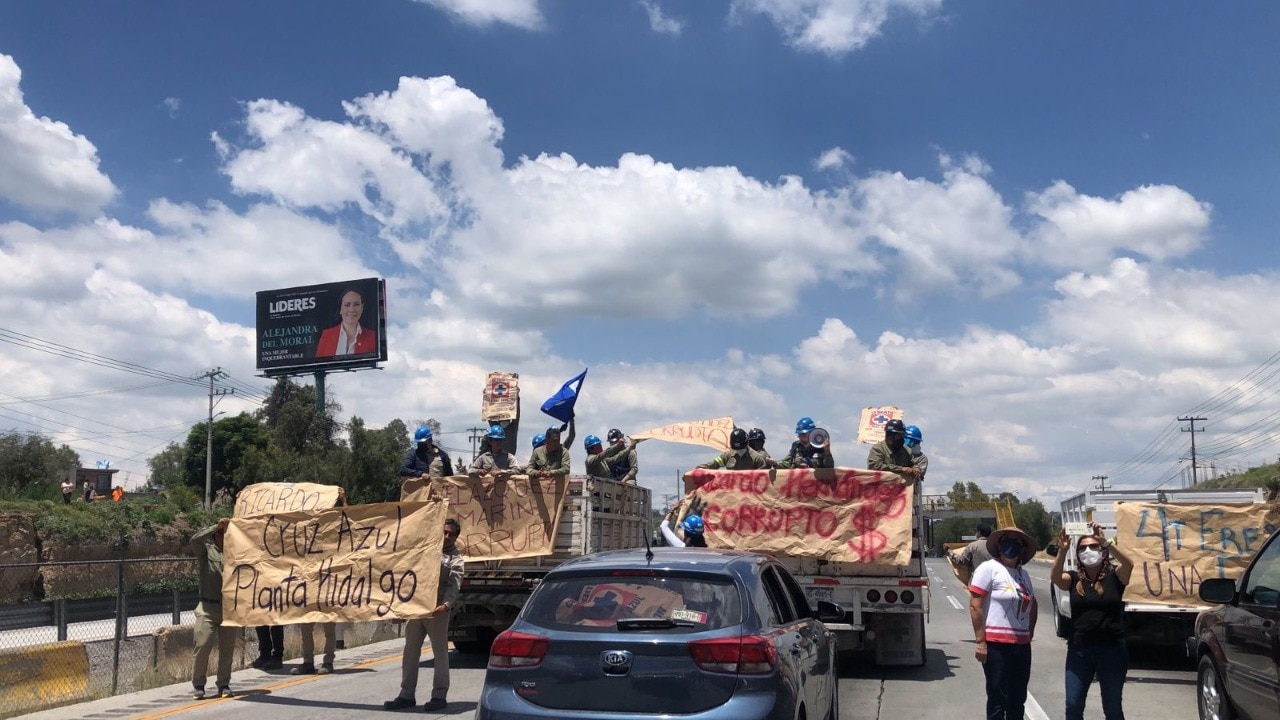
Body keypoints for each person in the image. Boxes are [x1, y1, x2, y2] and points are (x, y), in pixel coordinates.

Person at [1051, 522, 1134, 720]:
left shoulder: (1115, 577)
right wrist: (1062, 551)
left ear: (1102, 551)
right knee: (1073, 705)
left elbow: (1129, 565)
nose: (1088, 551)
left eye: (1093, 546)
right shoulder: (1073, 579)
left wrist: (1107, 542)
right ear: (1078, 554)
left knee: (1112, 708)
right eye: (1082, 548)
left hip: (1112, 650)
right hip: (1080, 651)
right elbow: (1055, 577)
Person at [384, 518, 465, 712]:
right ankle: (406, 695)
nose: (446, 537)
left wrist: (445, 605)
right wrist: (400, 608)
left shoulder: (455, 558)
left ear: (456, 537)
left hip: (437, 609)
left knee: (440, 654)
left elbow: (454, 584)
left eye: (451, 534)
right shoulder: (424, 550)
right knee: (410, 651)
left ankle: (439, 695)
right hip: (417, 608)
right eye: (444, 532)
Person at [969, 526, 1038, 720]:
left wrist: (1029, 632)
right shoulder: (989, 569)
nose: (1012, 544)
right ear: (999, 545)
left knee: (1018, 698)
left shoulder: (1023, 575)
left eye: (1017, 542)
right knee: (998, 698)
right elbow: (975, 606)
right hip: (996, 646)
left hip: (1021, 646)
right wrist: (980, 641)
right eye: (1007, 540)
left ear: (1022, 548)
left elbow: (1033, 604)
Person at [191, 518, 236, 699]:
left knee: (227, 649)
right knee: (202, 646)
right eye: (223, 534)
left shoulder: (236, 554)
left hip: (229, 609)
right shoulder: (206, 551)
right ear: (217, 536)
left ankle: (223, 684)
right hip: (208, 607)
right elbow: (195, 539)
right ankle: (199, 684)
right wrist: (216, 526)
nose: (226, 537)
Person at [315, 288, 378, 357]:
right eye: (347, 305)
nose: (352, 310)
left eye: (356, 304)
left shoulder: (372, 337)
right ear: (340, 309)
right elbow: (318, 364)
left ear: (361, 308)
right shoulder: (327, 335)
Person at [697, 428, 768, 470]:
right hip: (731, 494)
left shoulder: (757, 458)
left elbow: (764, 478)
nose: (739, 451)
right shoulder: (727, 455)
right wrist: (700, 469)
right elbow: (714, 464)